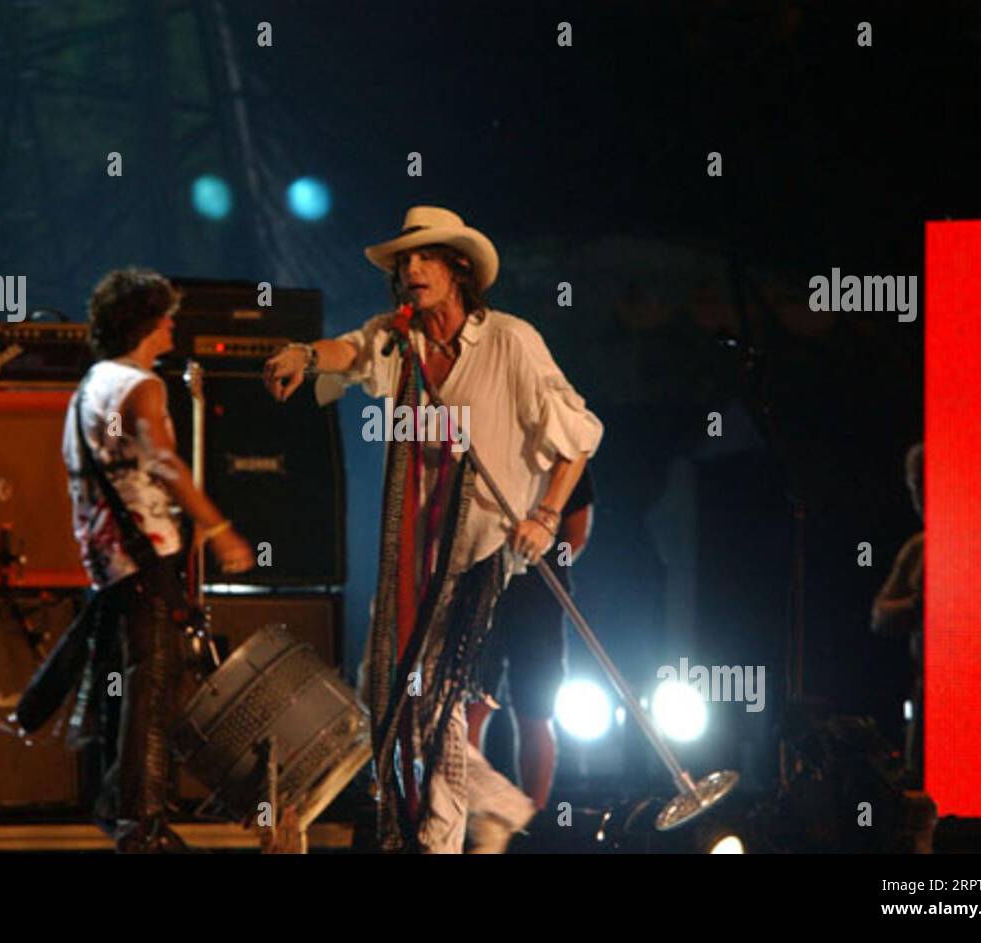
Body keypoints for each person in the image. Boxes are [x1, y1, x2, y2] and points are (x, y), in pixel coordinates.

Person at [262, 206, 604, 853]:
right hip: (413, 557)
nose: (412, 269)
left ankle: (447, 834)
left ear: (459, 270)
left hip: (483, 553)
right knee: (387, 694)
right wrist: (305, 354)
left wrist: (546, 514)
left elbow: (580, 435)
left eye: (426, 258)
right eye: (404, 262)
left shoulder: (509, 341)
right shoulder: (401, 341)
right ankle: (495, 805)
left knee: (438, 700)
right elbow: (353, 353)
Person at [61, 268, 254, 852]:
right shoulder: (141, 386)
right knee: (156, 687)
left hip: (112, 559)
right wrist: (219, 528)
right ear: (147, 324)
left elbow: (122, 470)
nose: (173, 324)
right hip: (144, 558)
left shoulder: (94, 383)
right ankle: (139, 824)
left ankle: (122, 804)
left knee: (141, 685)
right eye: (165, 315)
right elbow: (164, 462)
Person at [468, 465, 594, 812]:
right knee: (471, 704)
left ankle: (531, 821)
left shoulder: (567, 448)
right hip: (484, 588)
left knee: (536, 710)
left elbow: (577, 532)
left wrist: (549, 561)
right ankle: (471, 815)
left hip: (539, 598)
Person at [871, 442, 924, 787]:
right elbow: (879, 617)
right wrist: (920, 606)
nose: (921, 494)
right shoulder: (919, 549)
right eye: (915, 485)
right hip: (929, 693)